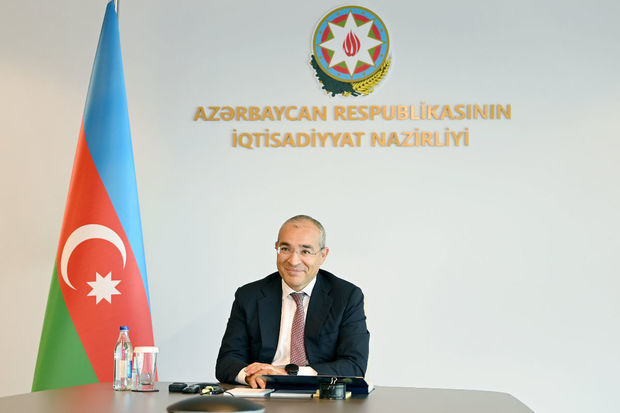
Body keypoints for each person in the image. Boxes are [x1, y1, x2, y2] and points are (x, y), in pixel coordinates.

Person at [215, 215, 370, 388]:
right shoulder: (249, 296)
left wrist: (288, 374)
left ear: (323, 255)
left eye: (305, 251)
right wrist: (250, 376)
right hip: (262, 390)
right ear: (276, 248)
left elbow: (354, 365)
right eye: (285, 249)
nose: (293, 261)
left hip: (321, 393)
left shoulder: (346, 296)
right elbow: (227, 361)